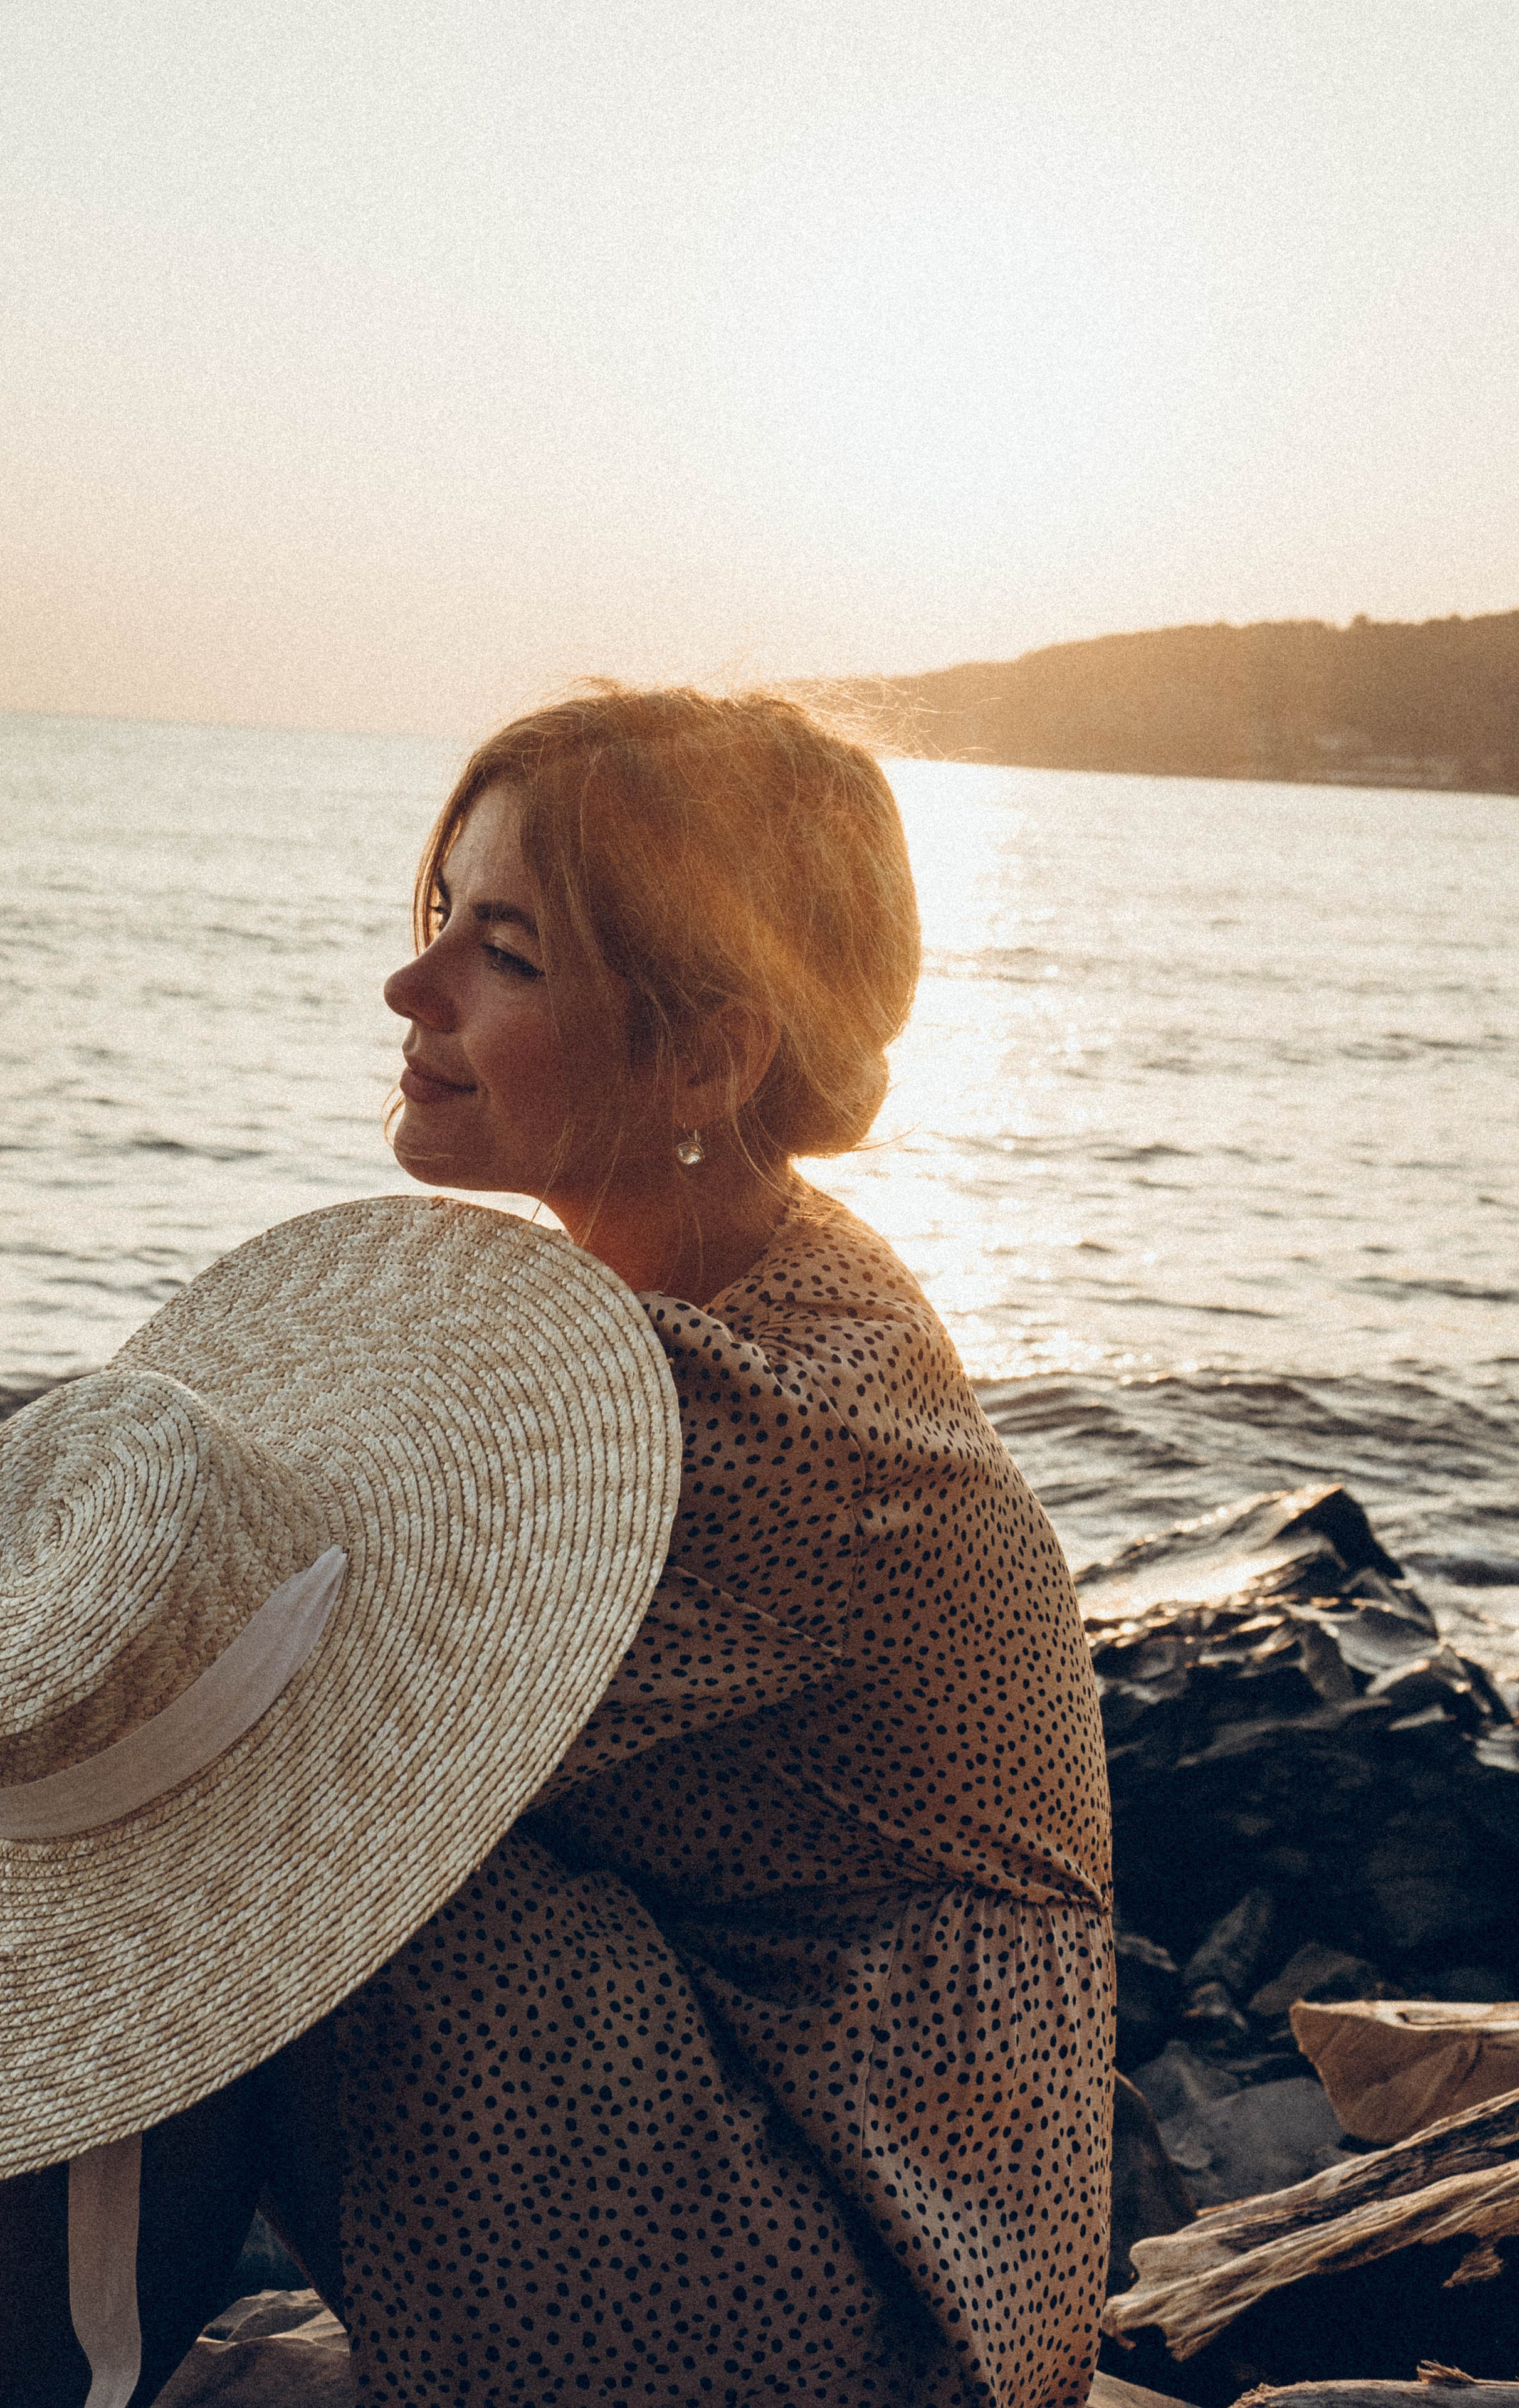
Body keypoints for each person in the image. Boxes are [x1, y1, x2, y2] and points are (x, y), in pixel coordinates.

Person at [4, 686, 1113, 2408]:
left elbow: (252, 1762)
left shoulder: (750, 1422)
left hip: (883, 2321)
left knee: (245, 1837)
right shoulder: (742, 1295)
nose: (412, 987)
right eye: (441, 914)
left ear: (707, 1055)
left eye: (504, 951)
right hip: (810, 2204)